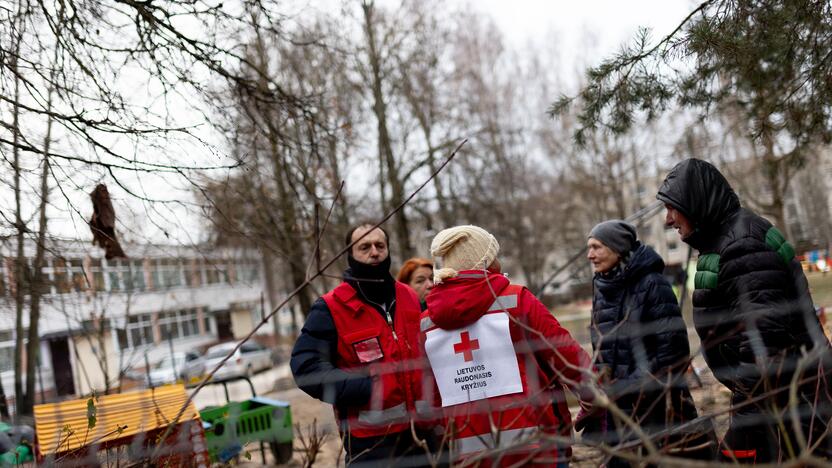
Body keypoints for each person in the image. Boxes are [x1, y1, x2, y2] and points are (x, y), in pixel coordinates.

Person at [657, 158, 832, 463]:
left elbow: (764, 346)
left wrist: (744, 425)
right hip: (779, 402)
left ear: (696, 202)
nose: (668, 219)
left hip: (794, 400)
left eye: (673, 207)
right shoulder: (723, 240)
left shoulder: (743, 244)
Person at [419, 225, 594, 467]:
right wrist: (596, 400)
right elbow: (566, 356)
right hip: (535, 444)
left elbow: (430, 395)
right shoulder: (517, 300)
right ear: (486, 262)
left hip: (470, 453)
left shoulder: (426, 323)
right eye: (494, 256)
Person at [290, 222, 435, 467]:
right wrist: (367, 387)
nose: (374, 252)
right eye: (364, 247)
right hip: (371, 445)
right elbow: (306, 368)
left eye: (380, 245)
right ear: (350, 255)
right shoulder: (330, 307)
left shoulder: (409, 296)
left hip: (424, 435)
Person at [583, 220, 717, 466]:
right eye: (589, 248)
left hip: (659, 411)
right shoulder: (602, 287)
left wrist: (626, 386)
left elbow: (673, 355)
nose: (590, 255)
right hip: (619, 415)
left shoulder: (653, 285)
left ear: (618, 248)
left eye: (597, 247)